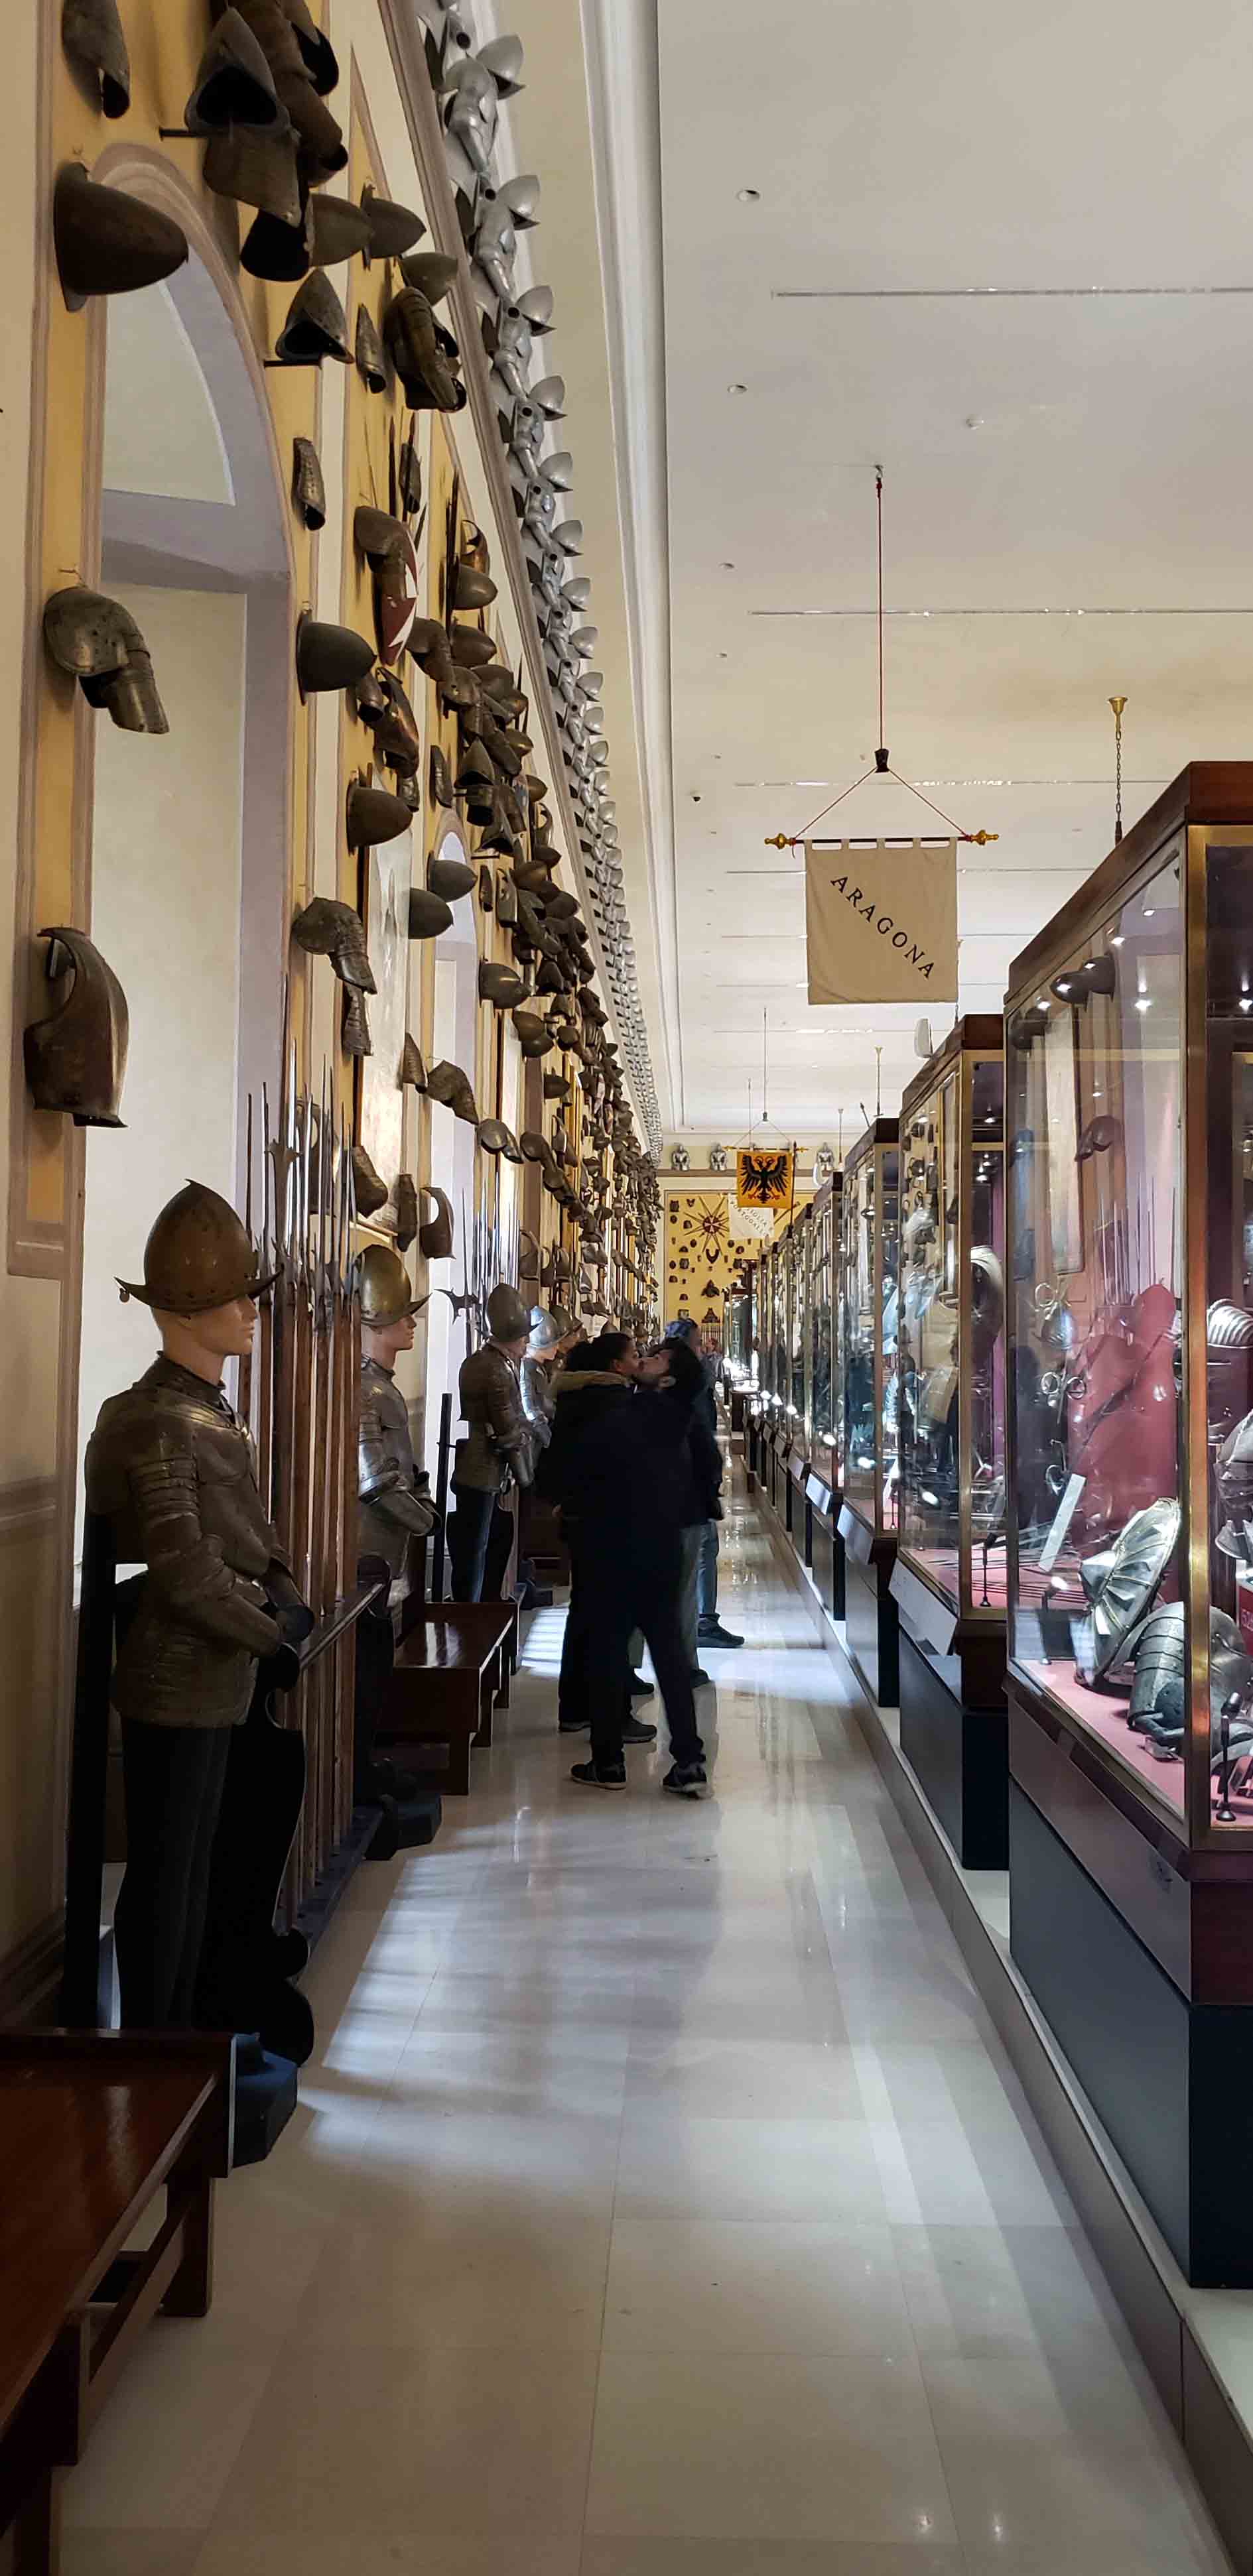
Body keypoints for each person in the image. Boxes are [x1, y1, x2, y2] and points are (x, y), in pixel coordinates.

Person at [550, 1330, 712, 1796]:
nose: (644, 1358)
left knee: (609, 1652)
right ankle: (688, 1760)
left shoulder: (626, 1415)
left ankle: (608, 1761)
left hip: (614, 1548)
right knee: (668, 1656)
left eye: (657, 1358)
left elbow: (585, 1473)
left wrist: (575, 1510)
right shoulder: (672, 1417)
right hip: (658, 1548)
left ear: (667, 1380)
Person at [540, 1331, 657, 1748]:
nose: (640, 1359)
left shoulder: (582, 1397)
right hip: (608, 1522)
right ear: (615, 1367)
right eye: (633, 1356)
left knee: (586, 1614)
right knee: (609, 1623)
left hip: (583, 1518)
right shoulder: (609, 1402)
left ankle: (574, 1706)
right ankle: (613, 1714)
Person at [665, 1317, 744, 1670]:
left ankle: (697, 1625)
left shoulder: (677, 1377)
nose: (702, 1347)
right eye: (698, 1342)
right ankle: (702, 1624)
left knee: (697, 1554)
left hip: (685, 1486)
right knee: (699, 1553)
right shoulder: (684, 1381)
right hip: (687, 1489)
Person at [447, 1282, 534, 1600]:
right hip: (483, 1467)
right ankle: (472, 1620)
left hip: (487, 1466)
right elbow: (507, 1429)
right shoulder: (496, 1369)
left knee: (490, 1545)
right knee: (476, 1552)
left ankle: (480, 1614)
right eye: (524, 1337)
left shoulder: (492, 1362)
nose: (527, 1343)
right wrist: (526, 1479)